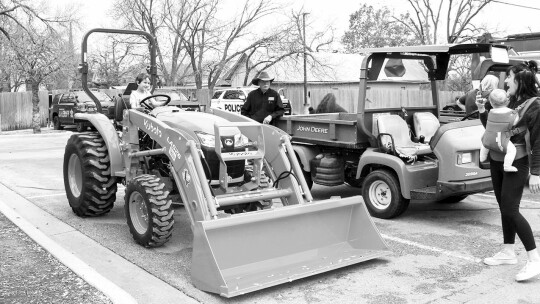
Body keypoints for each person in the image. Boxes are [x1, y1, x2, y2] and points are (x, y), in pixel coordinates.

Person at [478, 61, 540, 282]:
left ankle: (534, 259)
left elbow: (539, 140)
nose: (505, 82)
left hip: (517, 163)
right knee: (504, 207)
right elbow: (492, 127)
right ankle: (508, 251)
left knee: (510, 209)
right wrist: (482, 111)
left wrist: (536, 172)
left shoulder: (535, 106)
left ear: (519, 80)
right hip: (497, 160)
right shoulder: (511, 101)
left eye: (509, 78)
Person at [479, 89, 519, 172]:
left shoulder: (491, 112)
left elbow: (487, 124)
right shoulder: (511, 113)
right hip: (501, 140)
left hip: (488, 138)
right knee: (512, 151)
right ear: (507, 101)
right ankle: (507, 166)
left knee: (485, 144)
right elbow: (515, 122)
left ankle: (482, 157)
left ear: (491, 102)